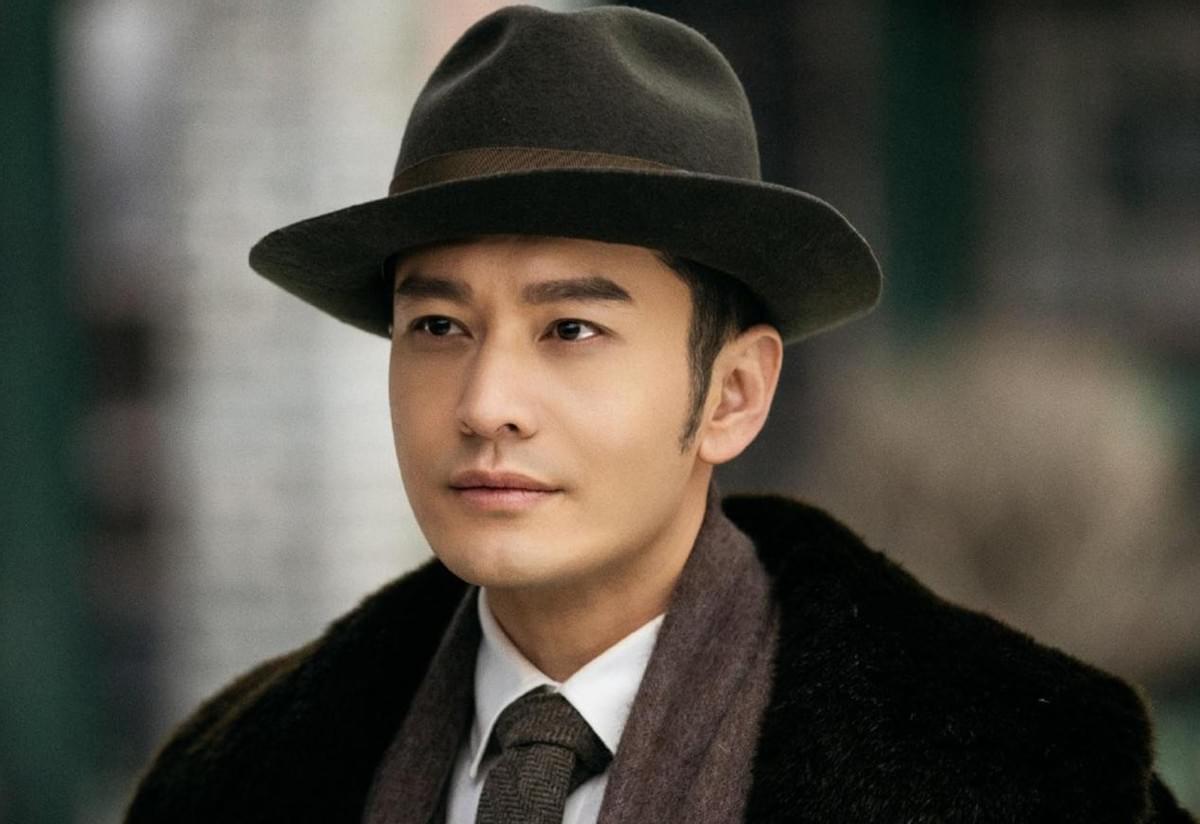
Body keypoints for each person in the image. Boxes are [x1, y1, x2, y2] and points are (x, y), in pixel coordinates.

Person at [124, 6, 1194, 823]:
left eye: (570, 329)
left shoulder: (1018, 778)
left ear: (732, 393)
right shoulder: (238, 777)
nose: (486, 405)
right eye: (439, 326)